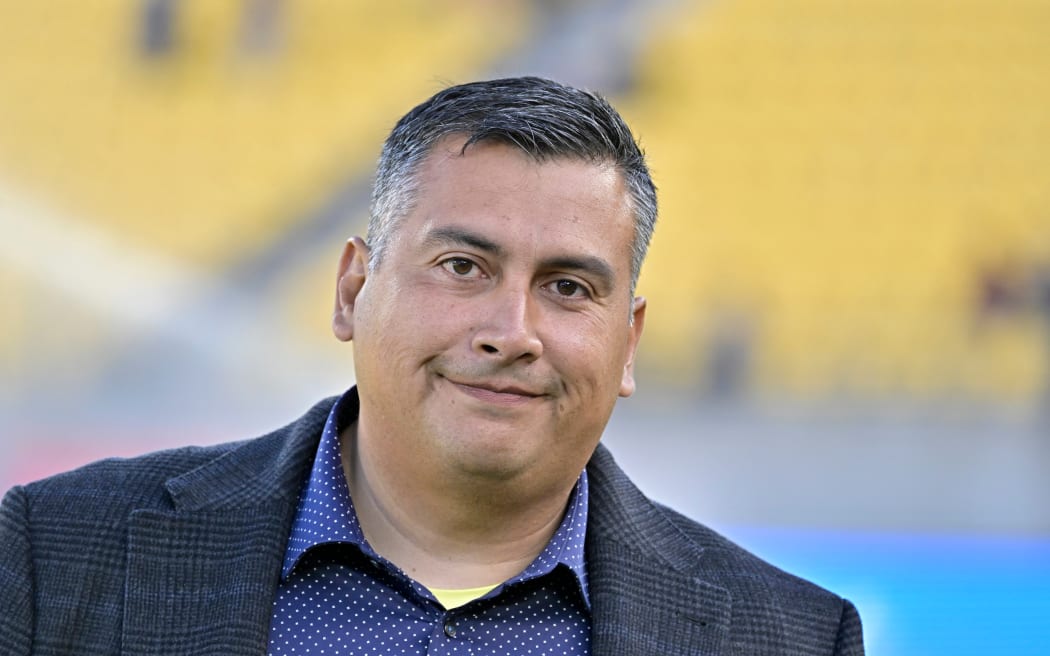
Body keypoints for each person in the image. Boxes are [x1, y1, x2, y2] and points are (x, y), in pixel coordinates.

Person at [0, 77, 864, 655]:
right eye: (463, 268)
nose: (511, 331)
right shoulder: (55, 557)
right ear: (352, 289)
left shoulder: (786, 637)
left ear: (627, 344)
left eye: (567, 287)